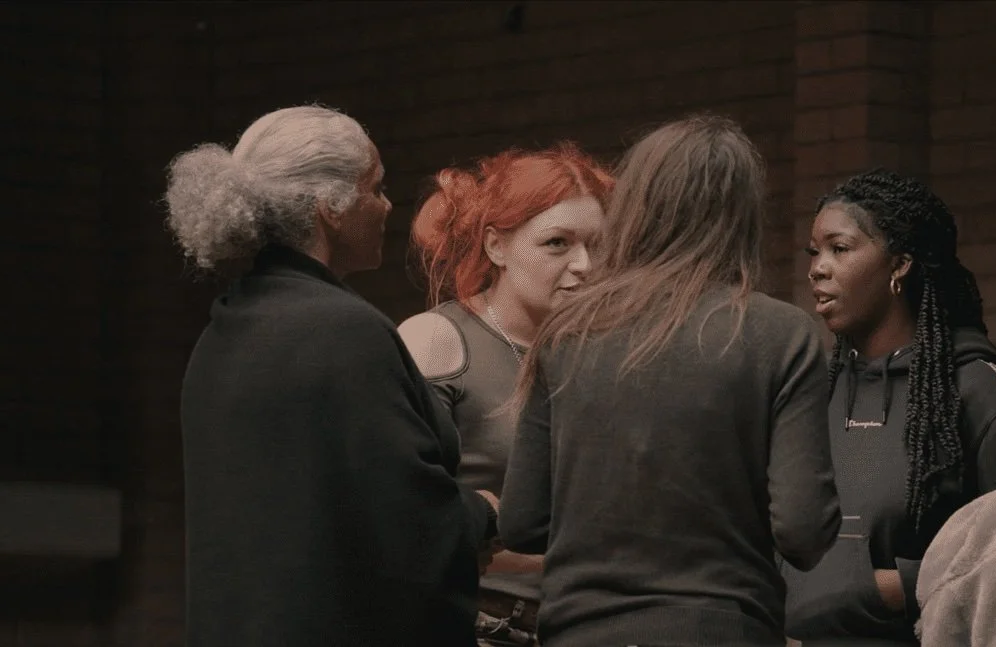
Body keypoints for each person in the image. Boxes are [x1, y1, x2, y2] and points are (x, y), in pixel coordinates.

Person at [497, 115, 843, 647]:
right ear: (743, 214)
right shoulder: (781, 334)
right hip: (720, 628)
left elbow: (522, 522)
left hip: (579, 632)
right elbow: (803, 531)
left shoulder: (567, 333)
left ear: (637, 205)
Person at [164, 105, 498, 647]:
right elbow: (402, 515)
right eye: (376, 188)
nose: (388, 206)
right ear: (330, 208)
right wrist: (483, 513)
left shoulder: (223, 330)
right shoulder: (343, 331)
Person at [784, 169, 996, 646]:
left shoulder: (975, 390)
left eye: (839, 248)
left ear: (899, 265)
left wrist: (892, 589)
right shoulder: (814, 391)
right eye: (814, 252)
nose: (817, 267)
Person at [397, 144, 612, 646]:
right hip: (478, 626)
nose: (584, 265)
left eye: (597, 246)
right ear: (496, 247)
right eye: (557, 243)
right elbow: (406, 515)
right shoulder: (438, 340)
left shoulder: (601, 350)